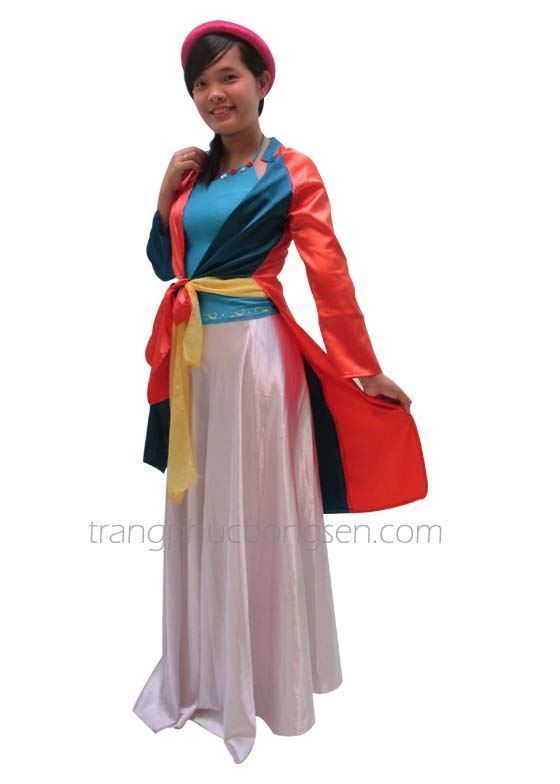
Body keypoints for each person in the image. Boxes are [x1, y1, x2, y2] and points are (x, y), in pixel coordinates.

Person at [133, 20, 428, 764]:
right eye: (201, 83)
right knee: (206, 508)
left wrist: (361, 368)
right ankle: (206, 671)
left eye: (228, 77)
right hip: (194, 363)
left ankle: (269, 679)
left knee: (255, 510)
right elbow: (165, 265)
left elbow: (329, 272)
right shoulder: (191, 175)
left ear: (262, 83)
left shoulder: (291, 170)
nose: (215, 94)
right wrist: (161, 196)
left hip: (258, 362)